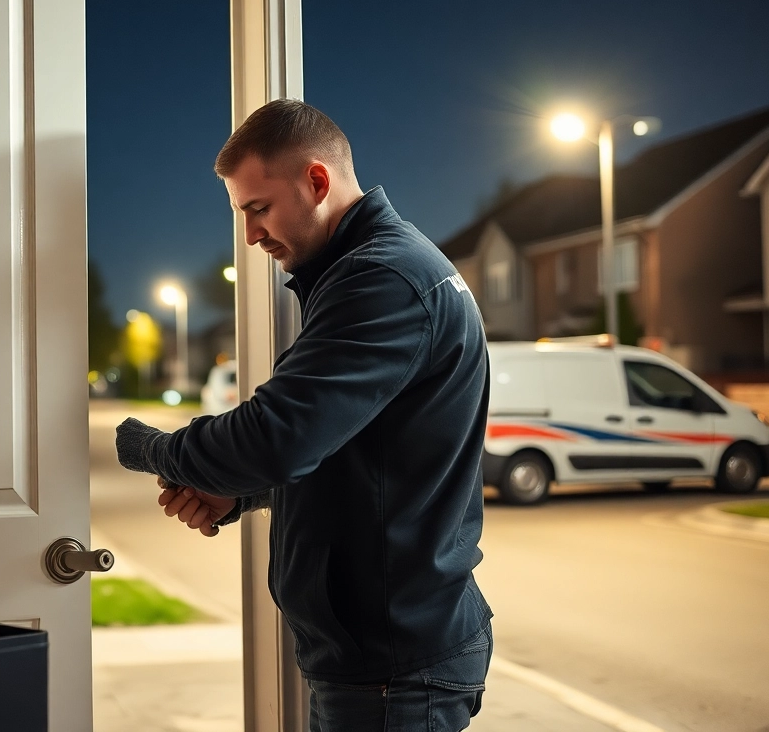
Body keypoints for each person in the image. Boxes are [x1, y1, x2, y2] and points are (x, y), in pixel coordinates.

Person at [114, 99, 493, 731]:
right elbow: (344, 448)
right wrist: (235, 493)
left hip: (393, 668)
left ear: (316, 182)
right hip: (375, 657)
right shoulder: (366, 274)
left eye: (258, 209)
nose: (251, 234)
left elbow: (277, 435)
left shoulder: (384, 281)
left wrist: (151, 450)